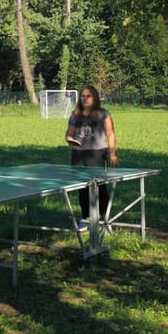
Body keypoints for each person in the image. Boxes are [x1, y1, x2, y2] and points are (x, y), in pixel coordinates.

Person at [65, 84, 118, 229]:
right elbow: (68, 135)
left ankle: (105, 219)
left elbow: (110, 134)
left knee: (100, 187)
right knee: (82, 187)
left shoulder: (103, 114)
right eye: (83, 96)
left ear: (94, 97)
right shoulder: (74, 115)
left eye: (88, 96)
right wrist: (71, 141)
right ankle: (85, 218)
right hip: (79, 155)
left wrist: (112, 153)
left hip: (97, 154)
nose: (85, 98)